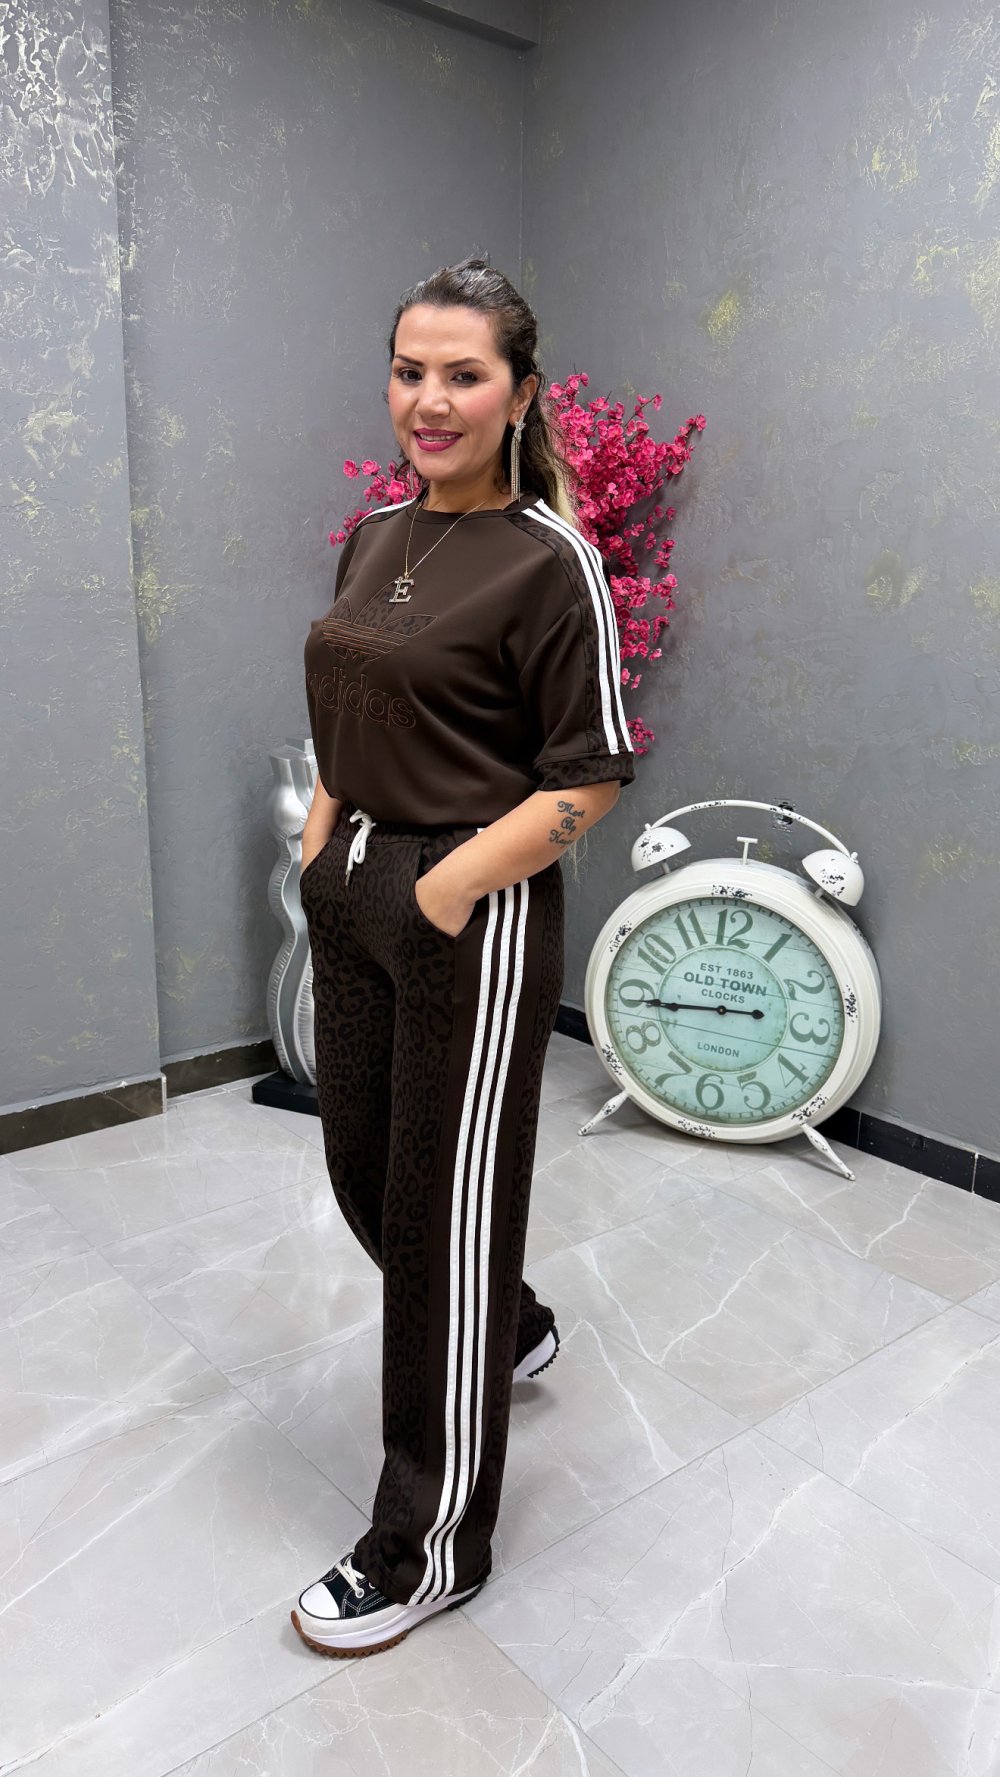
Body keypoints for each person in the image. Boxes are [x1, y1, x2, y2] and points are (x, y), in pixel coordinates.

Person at [292, 254, 635, 1659]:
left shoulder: (550, 563)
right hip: (355, 889)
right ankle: (512, 1320)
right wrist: (324, 838)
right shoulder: (374, 535)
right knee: (365, 1171)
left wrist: (444, 888)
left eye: (463, 375)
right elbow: (348, 701)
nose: (428, 400)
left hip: (466, 910)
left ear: (520, 393)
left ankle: (429, 1544)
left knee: (438, 1222)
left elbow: (589, 777)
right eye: (409, 371)